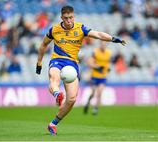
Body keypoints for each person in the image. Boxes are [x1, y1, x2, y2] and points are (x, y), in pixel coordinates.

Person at [36, 5, 126, 135]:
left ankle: (53, 124)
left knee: (72, 99)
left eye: (71, 18)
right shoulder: (54, 30)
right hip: (57, 60)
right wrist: (39, 62)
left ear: (74, 17)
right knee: (53, 76)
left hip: (72, 64)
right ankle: (57, 94)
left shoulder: (80, 28)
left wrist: (112, 39)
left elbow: (98, 34)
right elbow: (44, 44)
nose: (68, 21)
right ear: (61, 17)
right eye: (66, 18)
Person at [83, 41, 112, 115]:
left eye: (105, 45)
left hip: (103, 76)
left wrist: (108, 68)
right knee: (93, 93)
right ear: (100, 45)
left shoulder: (108, 53)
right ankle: (87, 103)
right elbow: (89, 63)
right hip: (94, 76)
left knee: (100, 92)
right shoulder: (95, 52)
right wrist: (97, 67)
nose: (103, 46)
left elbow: (108, 63)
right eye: (102, 45)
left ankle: (95, 109)